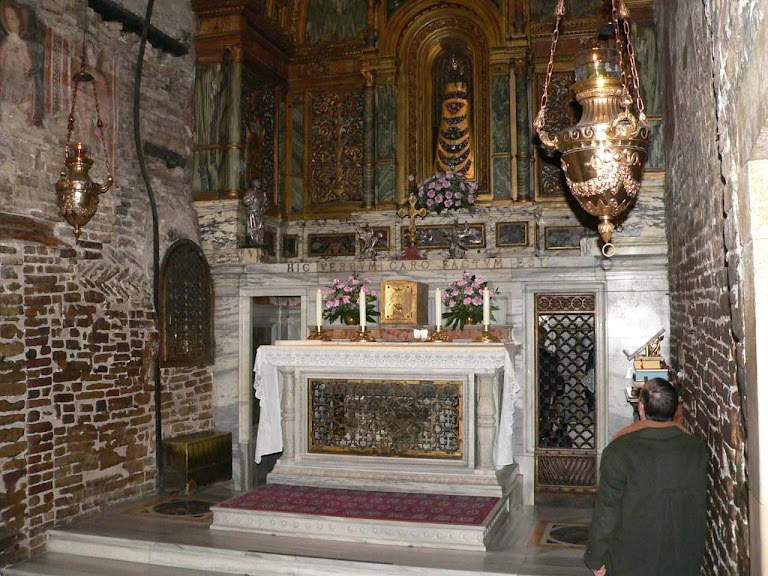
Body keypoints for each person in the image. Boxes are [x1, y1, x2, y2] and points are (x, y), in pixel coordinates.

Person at [584, 378, 706, 576]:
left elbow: (607, 510)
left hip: (631, 558)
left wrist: (596, 557)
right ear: (674, 409)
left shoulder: (620, 450)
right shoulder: (695, 449)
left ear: (641, 408)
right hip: (680, 557)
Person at [0, 0, 36, 122]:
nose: (11, 22)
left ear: (19, 21)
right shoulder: (7, 43)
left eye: (13, 18)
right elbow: (1, 61)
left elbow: (28, 65)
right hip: (8, 81)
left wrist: (27, 71)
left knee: (21, 108)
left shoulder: (23, 45)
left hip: (21, 83)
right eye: (8, 18)